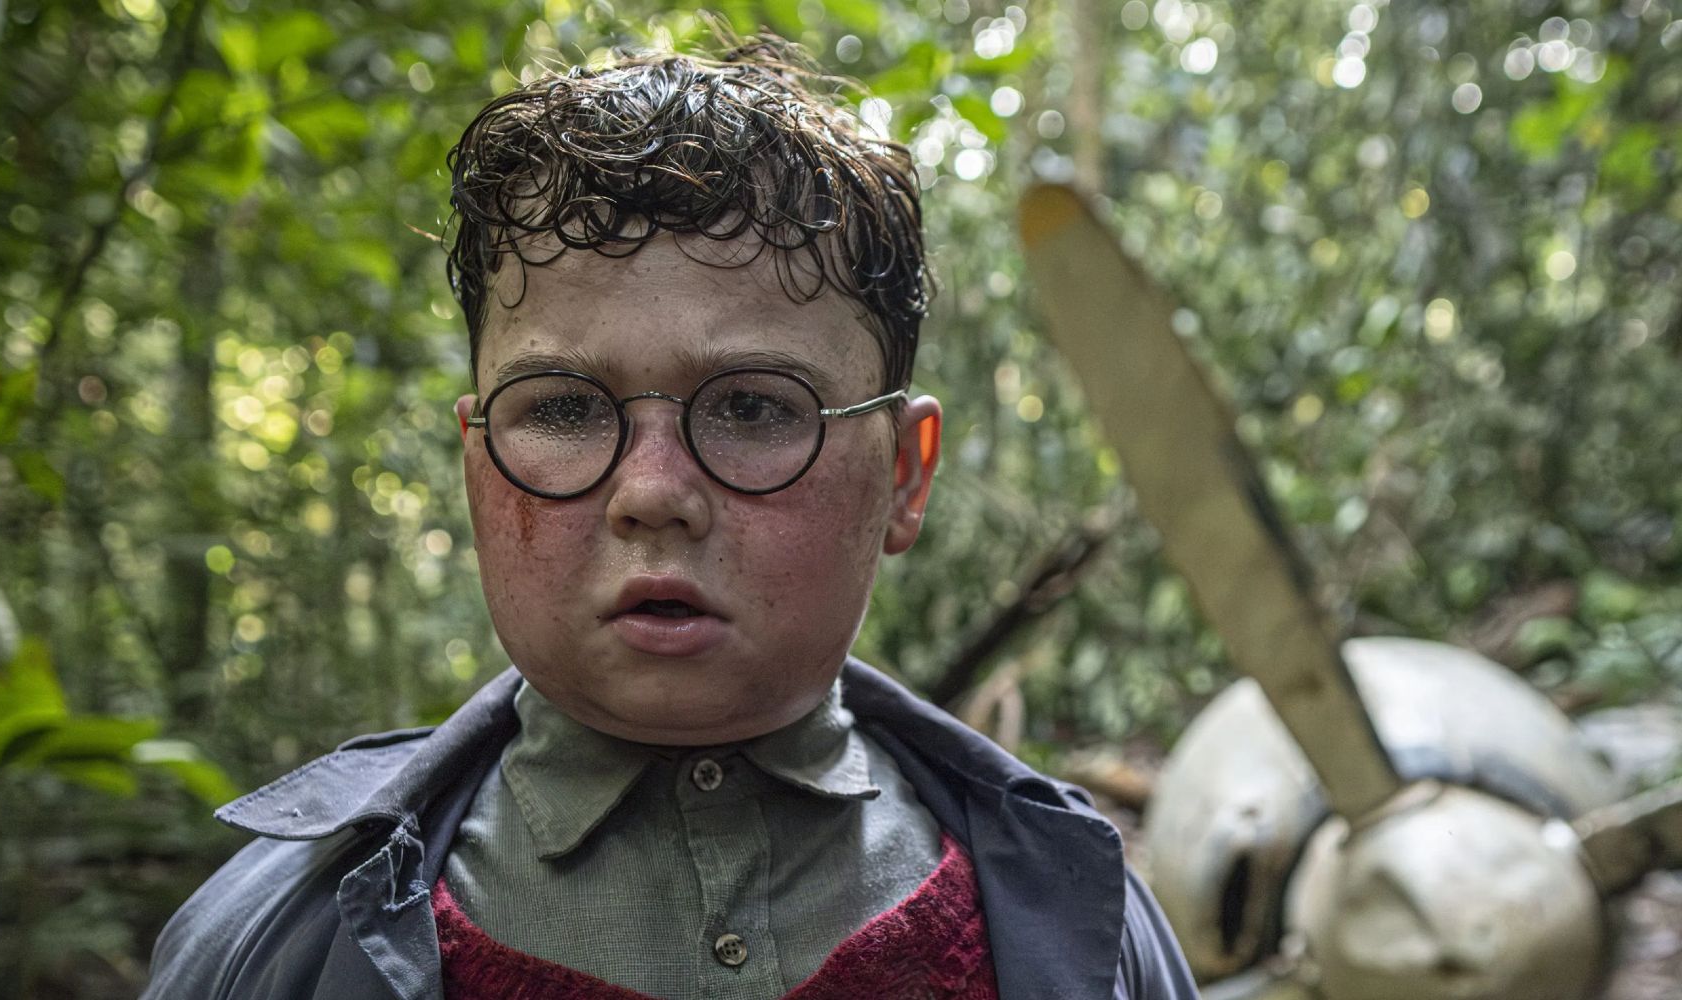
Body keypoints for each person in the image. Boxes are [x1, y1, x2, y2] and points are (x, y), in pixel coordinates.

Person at [142, 33, 1196, 1000]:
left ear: (903, 477)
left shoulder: (1080, 923)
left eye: (752, 408)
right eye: (563, 409)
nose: (650, 493)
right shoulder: (276, 943)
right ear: (477, 462)